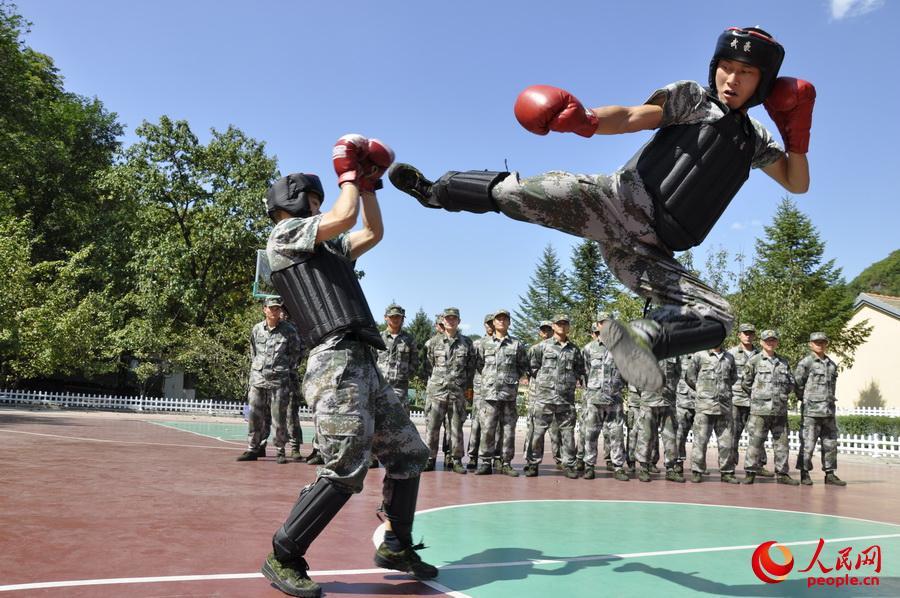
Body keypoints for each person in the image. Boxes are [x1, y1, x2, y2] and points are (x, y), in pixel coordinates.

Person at [390, 26, 812, 394]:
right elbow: (632, 116)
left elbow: (797, 182)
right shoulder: (694, 100)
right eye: (727, 67)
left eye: (746, 73)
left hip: (650, 250)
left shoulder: (755, 140)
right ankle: (436, 191)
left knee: (719, 316)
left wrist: (796, 132)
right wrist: (587, 120)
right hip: (613, 202)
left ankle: (641, 339)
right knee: (519, 194)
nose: (732, 79)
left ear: (762, 83)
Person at [261, 136, 437, 597]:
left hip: (362, 360)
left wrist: (370, 185)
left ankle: (396, 544)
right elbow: (343, 216)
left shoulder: (330, 247)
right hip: (333, 362)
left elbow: (371, 232)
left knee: (408, 454)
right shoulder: (284, 235)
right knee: (344, 467)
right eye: (312, 199)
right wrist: (349, 176)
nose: (318, 206)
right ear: (291, 201)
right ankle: (284, 554)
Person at [238, 296, 303, 464]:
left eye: (277, 308)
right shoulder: (257, 329)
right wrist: (258, 367)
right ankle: (252, 449)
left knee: (279, 417)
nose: (275, 311)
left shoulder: (289, 330)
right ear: (264, 309)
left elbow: (296, 353)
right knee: (254, 415)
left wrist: (283, 368)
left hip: (279, 380)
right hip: (258, 379)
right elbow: (253, 351)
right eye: (271, 308)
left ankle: (280, 451)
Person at [524, 314, 585, 478]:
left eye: (565, 324)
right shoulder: (541, 347)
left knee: (567, 433)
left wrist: (568, 383)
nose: (562, 326)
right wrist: (546, 382)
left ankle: (569, 464)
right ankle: (533, 464)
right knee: (537, 432)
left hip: (566, 399)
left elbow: (579, 370)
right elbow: (532, 368)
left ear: (569, 327)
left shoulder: (574, 350)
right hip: (545, 398)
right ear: (553, 326)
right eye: (559, 324)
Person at [473, 309, 529, 476]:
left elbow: (522, 366)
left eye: (505, 319)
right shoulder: (483, 344)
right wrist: (490, 379)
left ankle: (506, 462)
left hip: (508, 395)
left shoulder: (516, 345)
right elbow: (479, 365)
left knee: (508, 430)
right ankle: (485, 462)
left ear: (509, 323)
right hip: (489, 393)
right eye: (498, 319)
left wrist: (510, 379)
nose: (502, 321)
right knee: (488, 429)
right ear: (494, 323)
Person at [741, 330, 798, 486]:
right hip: (760, 410)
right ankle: (750, 472)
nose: (770, 343)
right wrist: (759, 395)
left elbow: (791, 383)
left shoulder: (784, 362)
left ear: (777, 342)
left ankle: (782, 473)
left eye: (773, 340)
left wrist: (780, 395)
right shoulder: (754, 361)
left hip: (779, 410)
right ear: (761, 342)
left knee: (782, 444)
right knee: (755, 442)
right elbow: (746, 383)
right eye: (767, 340)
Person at [424, 307, 476, 474]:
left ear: (459, 321)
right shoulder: (433, 342)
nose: (450, 321)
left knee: (456, 428)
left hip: (457, 392)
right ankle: (430, 459)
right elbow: (429, 365)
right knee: (432, 427)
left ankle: (456, 460)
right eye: (448, 318)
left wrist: (462, 385)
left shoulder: (467, 343)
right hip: (437, 391)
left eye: (454, 318)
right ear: (443, 321)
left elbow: (470, 368)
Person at [580, 315, 629, 481]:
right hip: (594, 398)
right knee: (591, 433)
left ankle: (618, 467)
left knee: (617, 434)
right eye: (602, 323)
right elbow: (585, 371)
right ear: (598, 325)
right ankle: (589, 466)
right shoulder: (589, 349)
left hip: (614, 399)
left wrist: (617, 387)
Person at [794, 332, 846, 486]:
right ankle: (804, 473)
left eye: (822, 342)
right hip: (811, 412)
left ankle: (830, 474)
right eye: (817, 342)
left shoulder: (831, 364)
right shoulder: (806, 363)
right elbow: (798, 384)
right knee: (808, 444)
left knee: (830, 444)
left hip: (828, 411)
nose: (820, 345)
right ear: (810, 344)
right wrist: (807, 400)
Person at [685, 345, 740, 483]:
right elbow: (690, 377)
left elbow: (733, 378)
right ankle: (697, 471)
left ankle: (727, 472)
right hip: (705, 406)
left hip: (724, 407)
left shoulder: (729, 357)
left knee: (727, 442)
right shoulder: (699, 355)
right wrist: (702, 390)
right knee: (700, 441)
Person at [728, 324, 772, 476]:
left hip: (755, 402)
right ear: (739, 335)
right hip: (736, 400)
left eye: (750, 333)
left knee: (757, 435)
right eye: (745, 333)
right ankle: (729, 467)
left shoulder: (760, 354)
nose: (748, 336)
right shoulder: (731, 354)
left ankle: (758, 465)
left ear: (754, 336)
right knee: (733, 435)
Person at [635, 358, 682, 482]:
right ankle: (644, 468)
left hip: (667, 401)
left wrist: (670, 389)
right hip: (649, 400)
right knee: (646, 435)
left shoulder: (674, 353)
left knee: (670, 436)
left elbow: (678, 373)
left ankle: (670, 469)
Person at [377, 303, 419, 416]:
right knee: (379, 421)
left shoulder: (409, 339)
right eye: (392, 317)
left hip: (401, 389)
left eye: (398, 317)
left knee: (401, 421)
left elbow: (415, 362)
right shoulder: (378, 338)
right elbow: (371, 360)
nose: (395, 319)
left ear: (402, 318)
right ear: (386, 317)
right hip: (380, 387)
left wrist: (404, 375)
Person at [467, 313, 495, 470]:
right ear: (484, 325)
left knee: (495, 425)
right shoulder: (477, 344)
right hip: (480, 388)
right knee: (477, 423)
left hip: (496, 390)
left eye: (492, 323)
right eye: (488, 323)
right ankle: (473, 456)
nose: (490, 326)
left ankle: (496, 457)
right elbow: (472, 365)